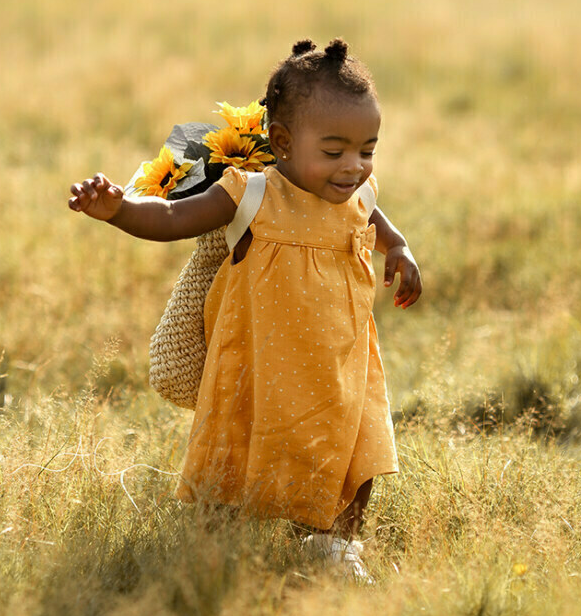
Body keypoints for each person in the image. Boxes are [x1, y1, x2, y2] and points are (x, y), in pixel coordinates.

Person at [67, 38, 422, 581]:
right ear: (281, 142)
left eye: (366, 149)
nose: (353, 166)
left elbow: (381, 225)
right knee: (235, 444)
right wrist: (119, 210)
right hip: (258, 362)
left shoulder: (360, 195)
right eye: (334, 151)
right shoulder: (252, 194)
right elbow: (170, 220)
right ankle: (216, 540)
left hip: (339, 361)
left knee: (355, 445)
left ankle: (334, 543)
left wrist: (400, 250)